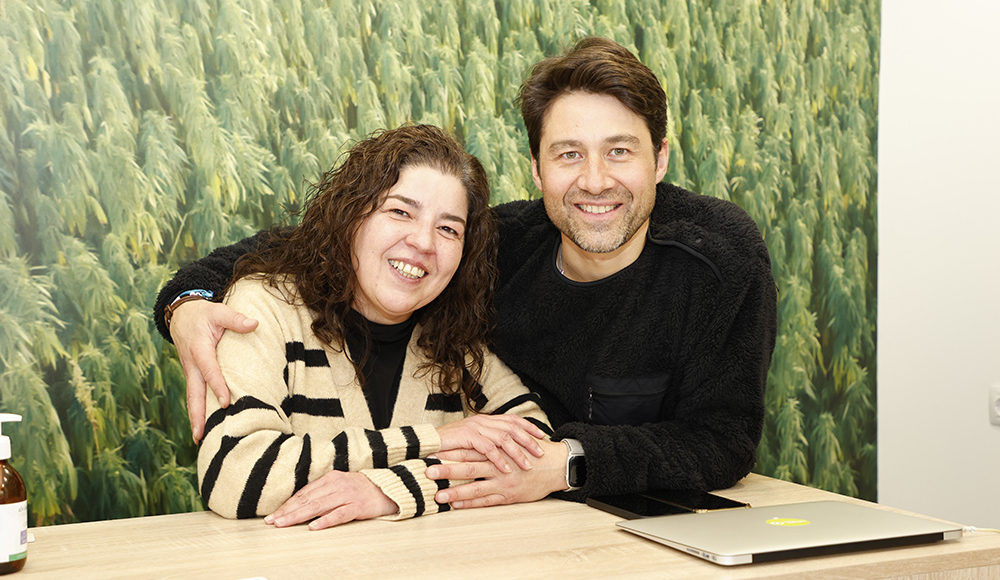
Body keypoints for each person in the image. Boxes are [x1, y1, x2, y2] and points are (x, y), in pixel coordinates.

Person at [155, 37, 777, 510]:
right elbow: (302, 246)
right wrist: (187, 300)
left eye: (619, 151)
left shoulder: (719, 256)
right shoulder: (497, 246)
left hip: (623, 527)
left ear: (660, 158)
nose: (594, 180)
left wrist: (564, 462)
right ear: (536, 169)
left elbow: (720, 440)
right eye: (568, 154)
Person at [191, 124, 558, 530]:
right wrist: (438, 440)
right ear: (351, 214)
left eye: (448, 229)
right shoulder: (264, 307)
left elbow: (536, 452)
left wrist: (386, 490)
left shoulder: (454, 338)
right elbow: (236, 474)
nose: (423, 242)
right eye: (400, 212)